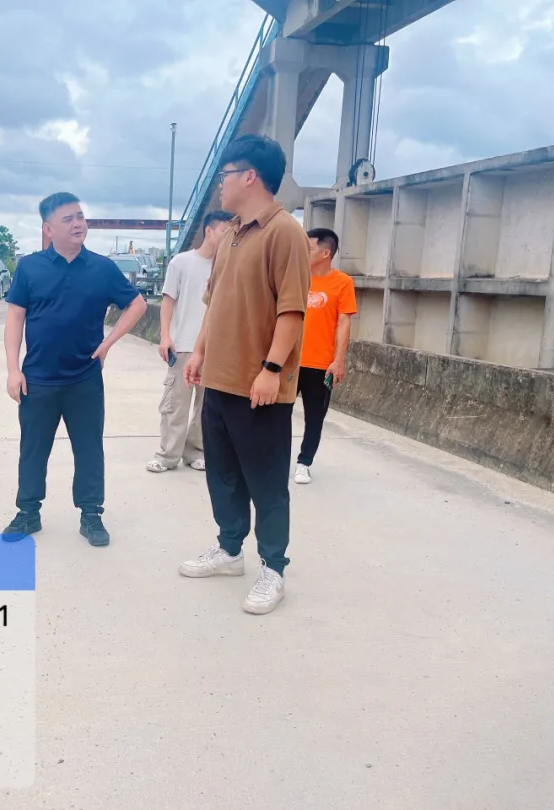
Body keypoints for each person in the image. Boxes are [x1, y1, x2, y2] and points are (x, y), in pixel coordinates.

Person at [178, 134, 311, 615]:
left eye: (226, 175)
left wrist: (272, 369)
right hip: (218, 379)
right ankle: (230, 549)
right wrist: (199, 352)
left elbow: (292, 311)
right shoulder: (231, 234)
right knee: (224, 475)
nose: (221, 184)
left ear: (250, 176)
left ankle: (273, 568)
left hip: (258, 386)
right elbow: (214, 303)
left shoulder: (284, 232)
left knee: (266, 482)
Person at [2, 192, 147, 546]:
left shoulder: (102, 268)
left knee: (89, 448)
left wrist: (108, 343)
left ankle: (91, 514)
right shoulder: (30, 267)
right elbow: (15, 317)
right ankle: (28, 511)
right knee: (33, 449)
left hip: (84, 378)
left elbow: (137, 304)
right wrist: (12, 369)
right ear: (48, 228)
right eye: (68, 219)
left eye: (80, 216)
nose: (78, 224)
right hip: (37, 379)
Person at [147, 209, 233, 473]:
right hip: (183, 345)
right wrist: (165, 336)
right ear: (209, 231)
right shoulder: (181, 262)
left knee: (206, 407)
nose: (229, 236)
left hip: (214, 349)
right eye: (225, 231)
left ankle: (196, 452)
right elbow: (168, 301)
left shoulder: (227, 265)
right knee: (175, 404)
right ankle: (167, 455)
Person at [294, 227, 357, 485]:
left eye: (308, 249)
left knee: (314, 417)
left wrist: (338, 360)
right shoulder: (296, 278)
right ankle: (271, 460)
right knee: (275, 414)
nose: (303, 253)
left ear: (325, 253)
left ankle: (304, 463)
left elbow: (343, 323)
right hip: (289, 361)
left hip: (320, 364)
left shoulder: (342, 283)